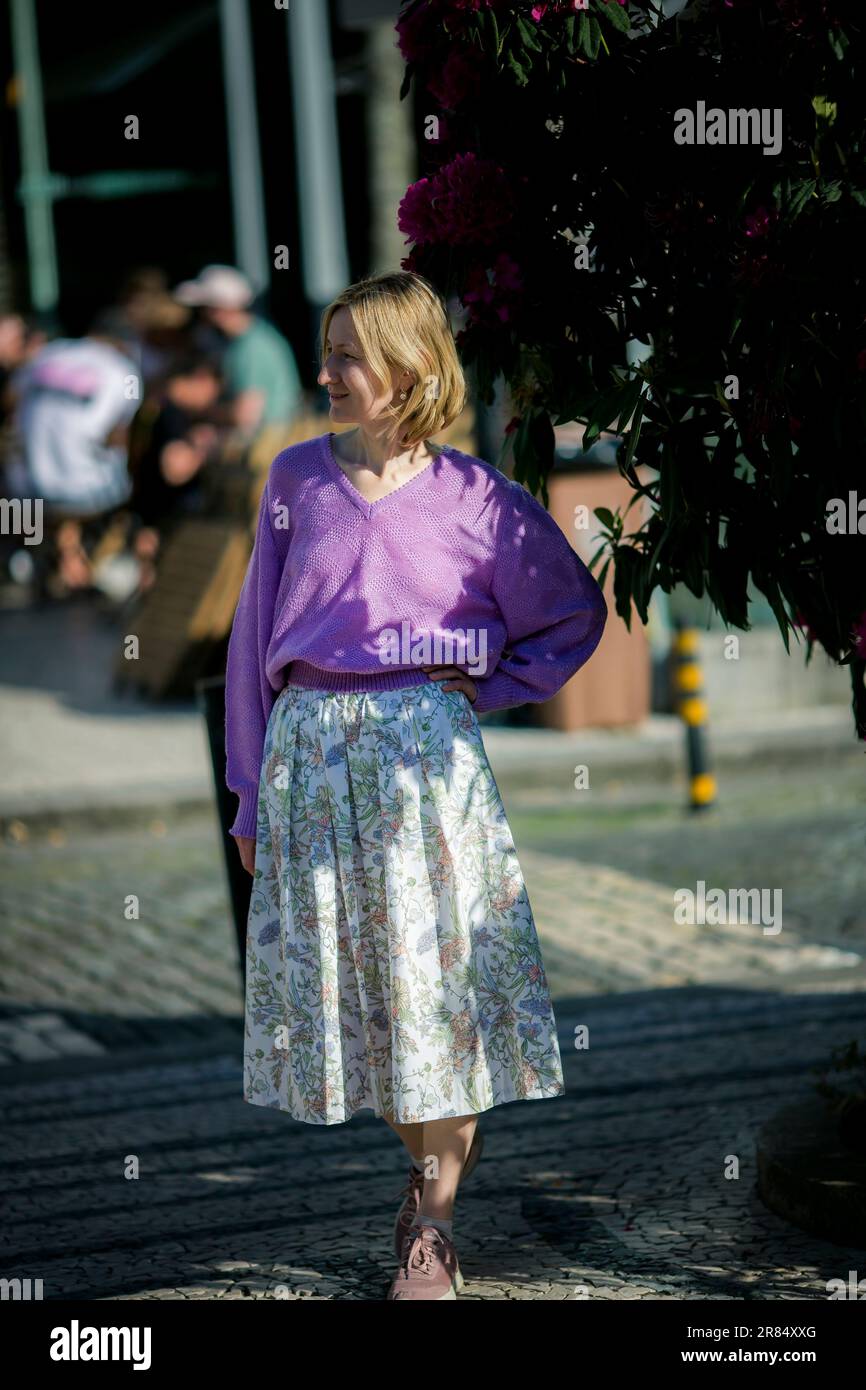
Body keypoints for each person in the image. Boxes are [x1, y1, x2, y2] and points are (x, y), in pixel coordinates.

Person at [222, 270, 608, 1300]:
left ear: (409, 367)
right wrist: (247, 795)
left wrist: (486, 682)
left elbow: (571, 616)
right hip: (308, 767)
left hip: (427, 782)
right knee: (364, 1011)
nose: (326, 372)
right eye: (327, 350)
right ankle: (422, 1177)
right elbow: (252, 641)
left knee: (440, 1004)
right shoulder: (293, 480)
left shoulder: (478, 499)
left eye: (349, 354)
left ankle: (430, 1228)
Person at [4, 310, 142, 591]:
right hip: (87, 495)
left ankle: (30, 556)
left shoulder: (48, 354)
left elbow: (11, 404)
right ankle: (96, 560)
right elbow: (114, 437)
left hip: (26, 494)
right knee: (123, 477)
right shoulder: (121, 369)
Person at [172, 264, 302, 436]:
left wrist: (200, 410)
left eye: (205, 308)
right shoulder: (250, 340)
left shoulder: (251, 347)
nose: (202, 315)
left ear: (219, 309)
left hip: (267, 448)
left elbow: (246, 417)